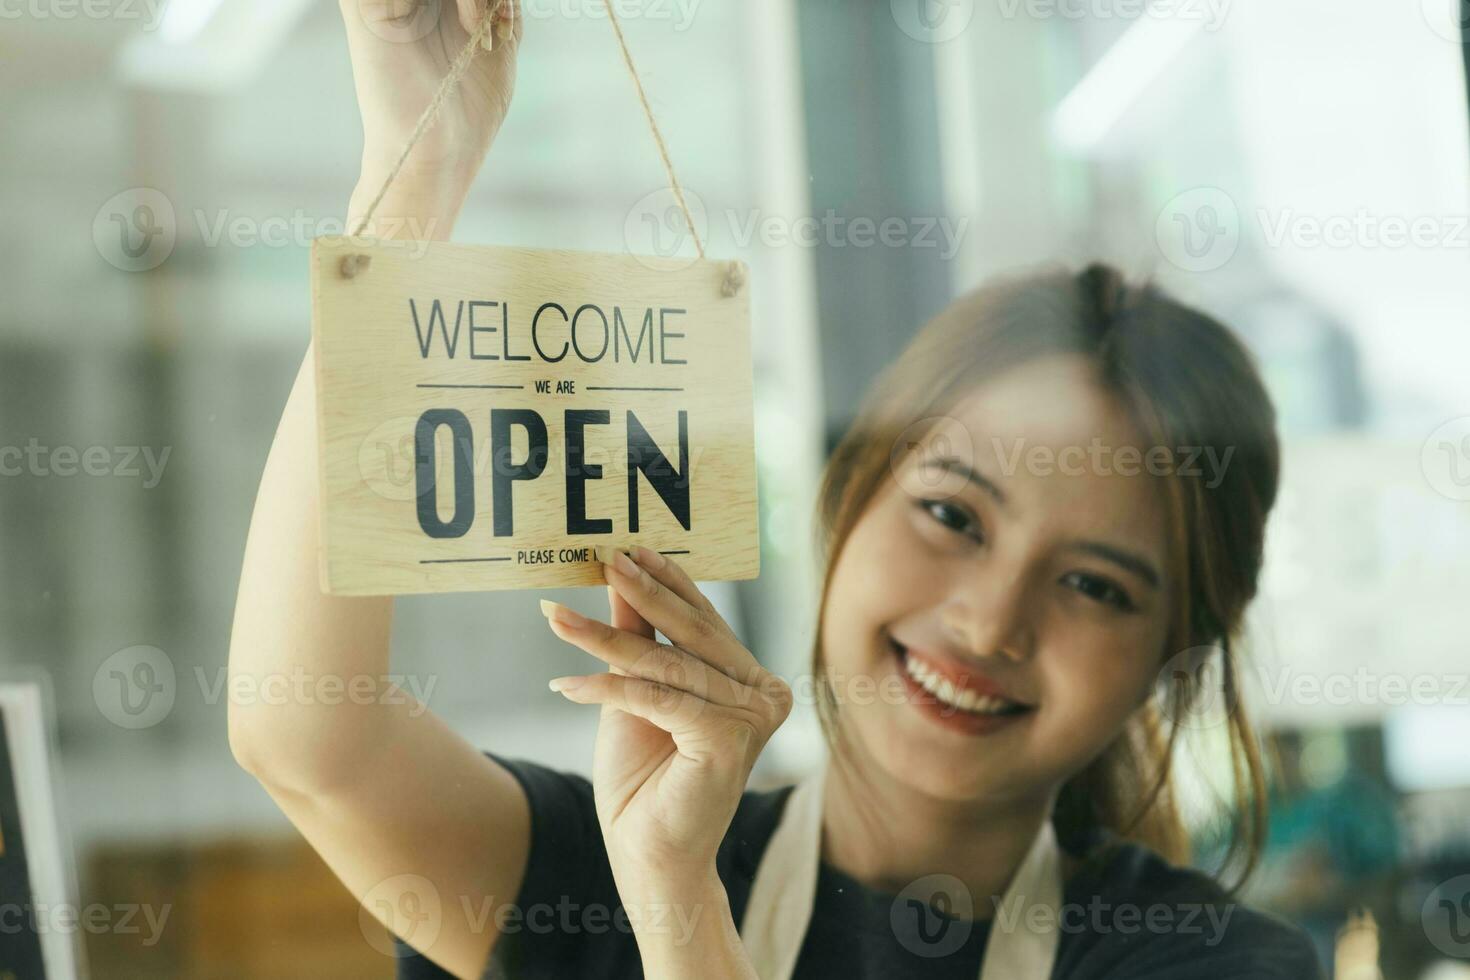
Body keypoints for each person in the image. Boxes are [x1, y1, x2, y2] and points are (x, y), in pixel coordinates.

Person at [227, 2, 1324, 977]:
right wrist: (418, 162)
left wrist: (680, 904)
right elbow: (308, 734)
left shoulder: (1210, 961)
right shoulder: (585, 871)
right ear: (847, 502)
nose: (992, 617)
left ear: (1175, 654)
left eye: (1095, 584)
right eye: (951, 514)